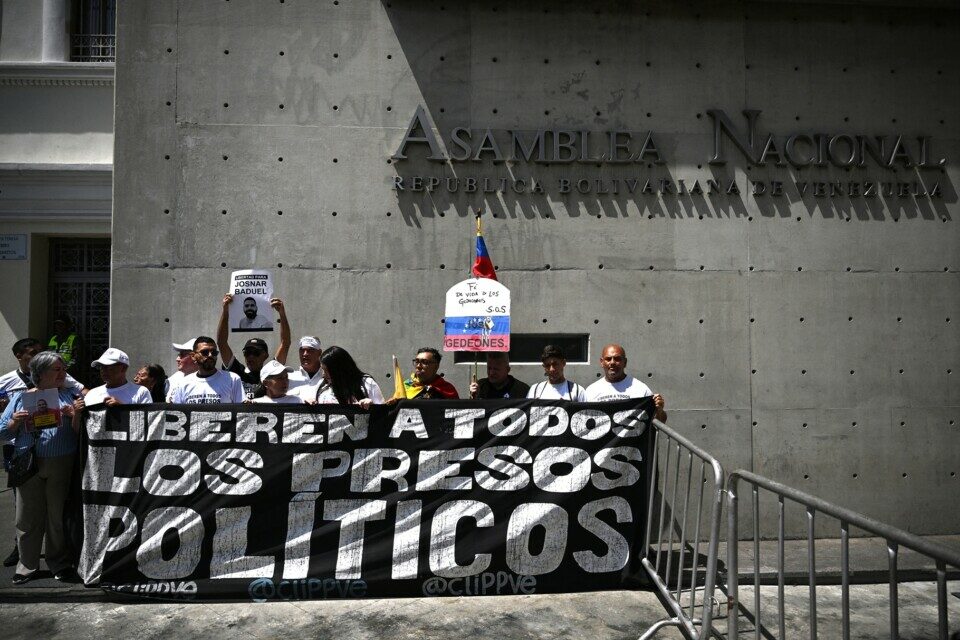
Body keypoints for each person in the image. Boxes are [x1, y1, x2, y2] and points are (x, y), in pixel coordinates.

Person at [0, 351, 82, 584]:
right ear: (41, 373)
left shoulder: (70, 396)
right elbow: (2, 432)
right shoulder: (21, 397)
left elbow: (84, 434)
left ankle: (59, 563)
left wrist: (75, 415)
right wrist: (15, 421)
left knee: (57, 516)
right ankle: (27, 566)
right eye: (57, 369)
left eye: (63, 369)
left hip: (61, 462)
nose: (62, 373)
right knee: (26, 518)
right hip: (28, 462)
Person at [217, 294, 291, 399]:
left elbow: (285, 343)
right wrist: (225, 311)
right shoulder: (237, 371)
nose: (251, 356)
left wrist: (282, 314)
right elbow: (221, 343)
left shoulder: (272, 371)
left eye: (256, 353)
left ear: (265, 355)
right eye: (247, 353)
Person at [585, 343, 666, 421]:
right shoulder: (591, 391)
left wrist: (659, 410)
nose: (612, 362)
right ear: (602, 362)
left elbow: (660, 422)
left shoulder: (641, 389)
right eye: (608, 359)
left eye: (617, 359)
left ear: (625, 362)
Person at [0, 338, 86, 401]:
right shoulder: (5, 381)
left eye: (40, 351)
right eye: (33, 353)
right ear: (19, 356)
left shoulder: (57, 374)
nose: (39, 355)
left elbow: (82, 391)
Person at [169, 337, 244, 404]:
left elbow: (241, 411)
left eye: (214, 353)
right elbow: (176, 412)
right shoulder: (183, 384)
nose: (210, 355)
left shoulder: (232, 379)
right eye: (204, 352)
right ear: (193, 356)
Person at [314, 346, 385, 408]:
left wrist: (372, 406)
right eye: (322, 369)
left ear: (339, 370)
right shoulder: (323, 388)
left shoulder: (367, 384)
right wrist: (311, 407)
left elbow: (383, 414)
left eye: (327, 370)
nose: (323, 374)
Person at [83, 348, 153, 406]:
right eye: (101, 366)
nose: (103, 370)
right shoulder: (92, 394)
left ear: (123, 368)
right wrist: (77, 414)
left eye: (108, 366)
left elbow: (146, 418)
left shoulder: (140, 392)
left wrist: (120, 409)